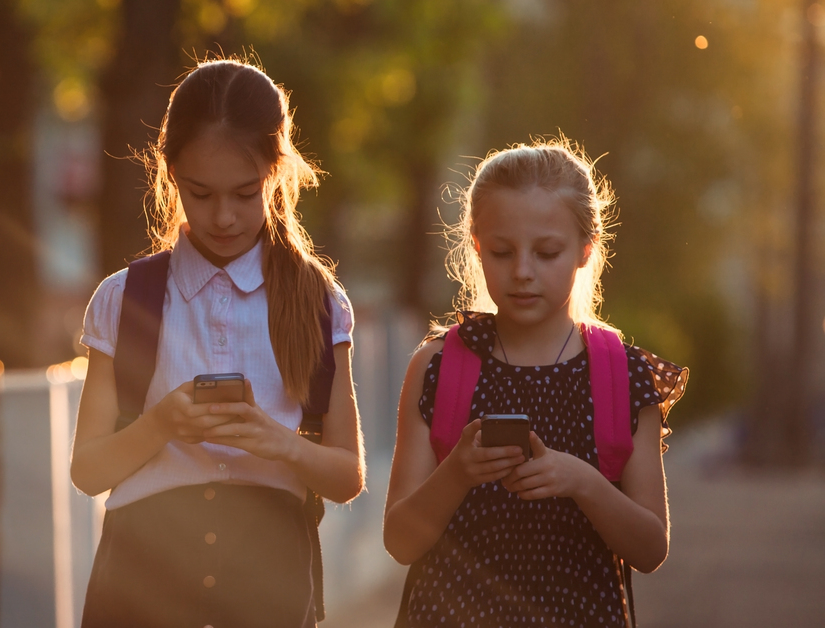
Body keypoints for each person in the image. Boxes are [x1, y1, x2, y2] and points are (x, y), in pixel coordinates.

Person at [71, 58, 363, 628]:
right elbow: (87, 471)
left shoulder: (318, 300)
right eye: (201, 194)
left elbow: (347, 476)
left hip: (270, 582)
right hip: (139, 584)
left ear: (275, 174)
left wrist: (275, 440)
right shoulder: (123, 299)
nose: (224, 216)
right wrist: (161, 425)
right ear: (172, 173)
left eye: (245, 193)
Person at [383, 138, 688, 627]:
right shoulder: (438, 367)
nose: (522, 272)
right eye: (502, 252)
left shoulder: (624, 377)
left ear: (586, 250)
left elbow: (651, 548)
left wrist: (584, 483)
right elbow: (399, 541)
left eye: (547, 252)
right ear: (477, 246)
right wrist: (457, 472)